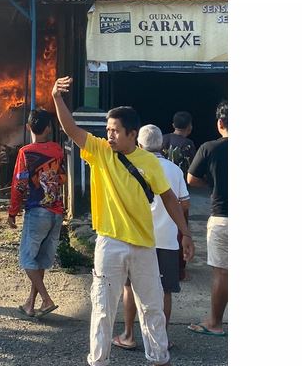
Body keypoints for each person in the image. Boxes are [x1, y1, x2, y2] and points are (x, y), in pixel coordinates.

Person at [51, 76, 194, 366]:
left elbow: (169, 198)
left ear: (132, 134)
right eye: (107, 130)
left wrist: (186, 233)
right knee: (103, 307)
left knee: (151, 307)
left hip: (143, 245)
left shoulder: (150, 162)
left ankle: (158, 357)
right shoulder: (101, 152)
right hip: (110, 243)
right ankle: (98, 360)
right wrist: (57, 98)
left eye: (115, 131)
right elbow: (71, 129)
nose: (110, 135)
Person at [112, 124, 190, 351]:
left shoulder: (131, 164)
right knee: (164, 290)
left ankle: (128, 335)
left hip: (136, 238)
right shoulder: (174, 170)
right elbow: (184, 203)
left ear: (139, 144)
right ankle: (161, 339)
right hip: (166, 239)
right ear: (162, 145)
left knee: (130, 287)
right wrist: (184, 231)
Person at [7, 108, 66, 319]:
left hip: (37, 211)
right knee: (40, 260)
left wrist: (12, 211)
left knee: (26, 259)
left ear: (28, 128)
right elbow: (63, 178)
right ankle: (30, 304)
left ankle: (47, 299)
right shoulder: (58, 150)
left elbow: (20, 184)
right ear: (49, 128)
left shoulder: (26, 152)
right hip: (56, 212)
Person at [186, 101, 228, 337]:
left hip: (223, 217)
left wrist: (212, 185)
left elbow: (191, 178)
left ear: (220, 123)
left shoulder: (210, 148)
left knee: (221, 272)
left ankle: (215, 322)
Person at [161, 111, 196, 282]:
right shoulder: (188, 145)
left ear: (173, 125)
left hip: (159, 190)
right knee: (182, 230)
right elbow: (191, 169)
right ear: (189, 127)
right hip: (180, 193)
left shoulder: (163, 139)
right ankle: (180, 270)